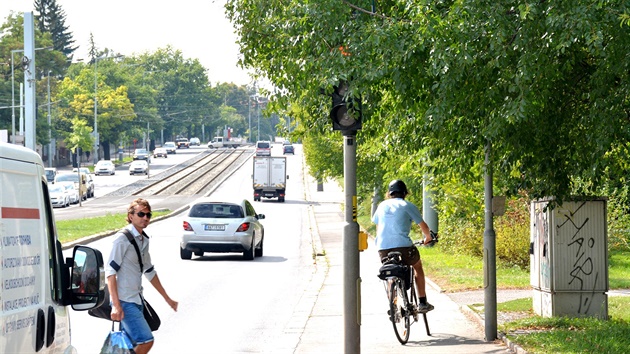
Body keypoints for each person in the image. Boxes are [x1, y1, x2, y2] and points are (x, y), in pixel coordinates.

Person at [106, 198, 179, 354]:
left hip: (137, 299)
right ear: (131, 216)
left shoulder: (143, 239)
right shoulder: (122, 239)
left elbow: (149, 271)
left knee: (132, 345)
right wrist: (116, 305)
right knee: (146, 341)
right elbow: (110, 273)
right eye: (141, 214)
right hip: (125, 301)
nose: (145, 218)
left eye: (148, 215)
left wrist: (167, 298)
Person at [372, 179, 437, 313]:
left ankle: (393, 305)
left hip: (382, 248)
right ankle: (423, 302)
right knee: (417, 266)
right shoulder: (407, 205)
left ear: (389, 194)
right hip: (404, 247)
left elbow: (376, 222)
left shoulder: (382, 205)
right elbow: (423, 226)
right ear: (405, 193)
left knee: (390, 271)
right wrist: (428, 237)